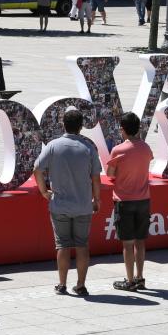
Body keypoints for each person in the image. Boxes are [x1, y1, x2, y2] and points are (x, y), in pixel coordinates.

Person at [33, 109, 102, 297]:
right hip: (83, 205)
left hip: (60, 205)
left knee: (62, 245)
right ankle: (81, 285)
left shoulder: (54, 146)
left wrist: (44, 192)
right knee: (82, 245)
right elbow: (96, 178)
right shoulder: (88, 147)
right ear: (81, 126)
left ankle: (62, 284)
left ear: (63, 124)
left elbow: (37, 169)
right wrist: (97, 200)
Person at [106, 112, 153, 291]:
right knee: (140, 241)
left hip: (124, 200)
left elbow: (110, 173)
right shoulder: (146, 148)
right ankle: (140, 277)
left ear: (122, 129)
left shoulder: (118, 150)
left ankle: (130, 279)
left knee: (127, 243)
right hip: (143, 199)